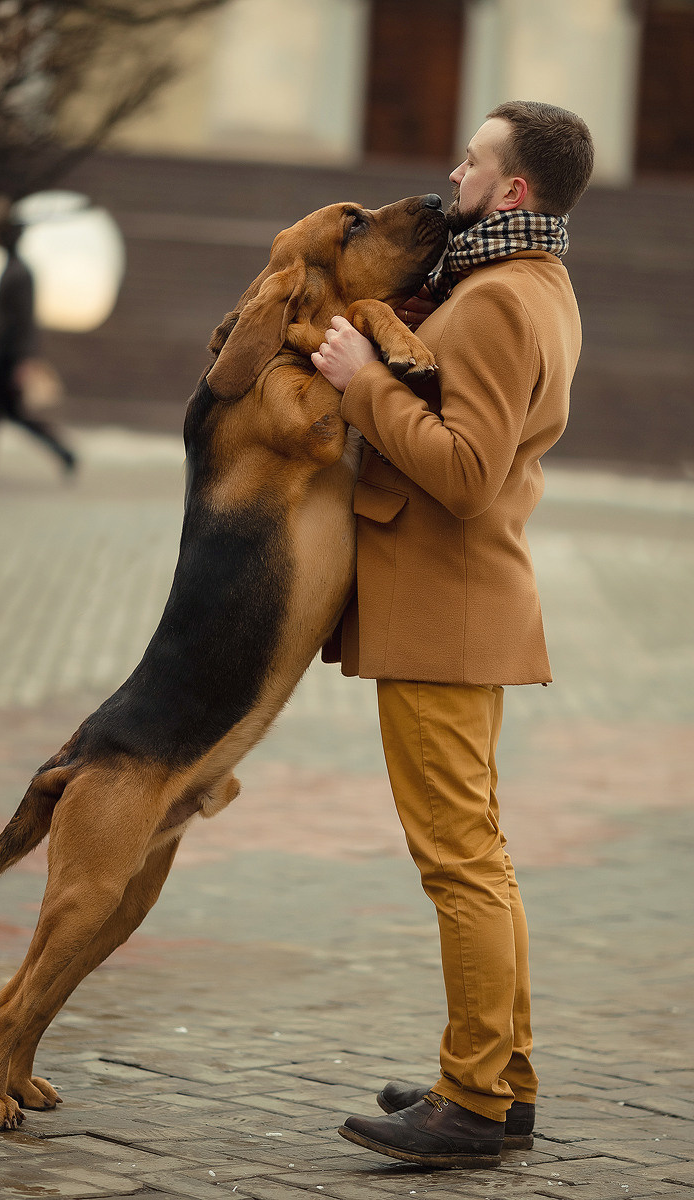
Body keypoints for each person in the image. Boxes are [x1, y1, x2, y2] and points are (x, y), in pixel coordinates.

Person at [312, 100, 594, 1170]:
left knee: (459, 864)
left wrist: (362, 385)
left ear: (513, 189)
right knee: (480, 854)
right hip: (460, 609)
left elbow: (466, 474)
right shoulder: (534, 282)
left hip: (444, 610)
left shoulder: (496, 301)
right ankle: (502, 1082)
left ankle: (469, 1100)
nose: (453, 173)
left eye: (472, 161)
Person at [0, 221, 76, 475]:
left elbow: (24, 320)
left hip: (10, 355)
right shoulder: (13, 269)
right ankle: (63, 453)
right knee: (3, 410)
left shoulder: (19, 273)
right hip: (6, 352)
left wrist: (23, 360)